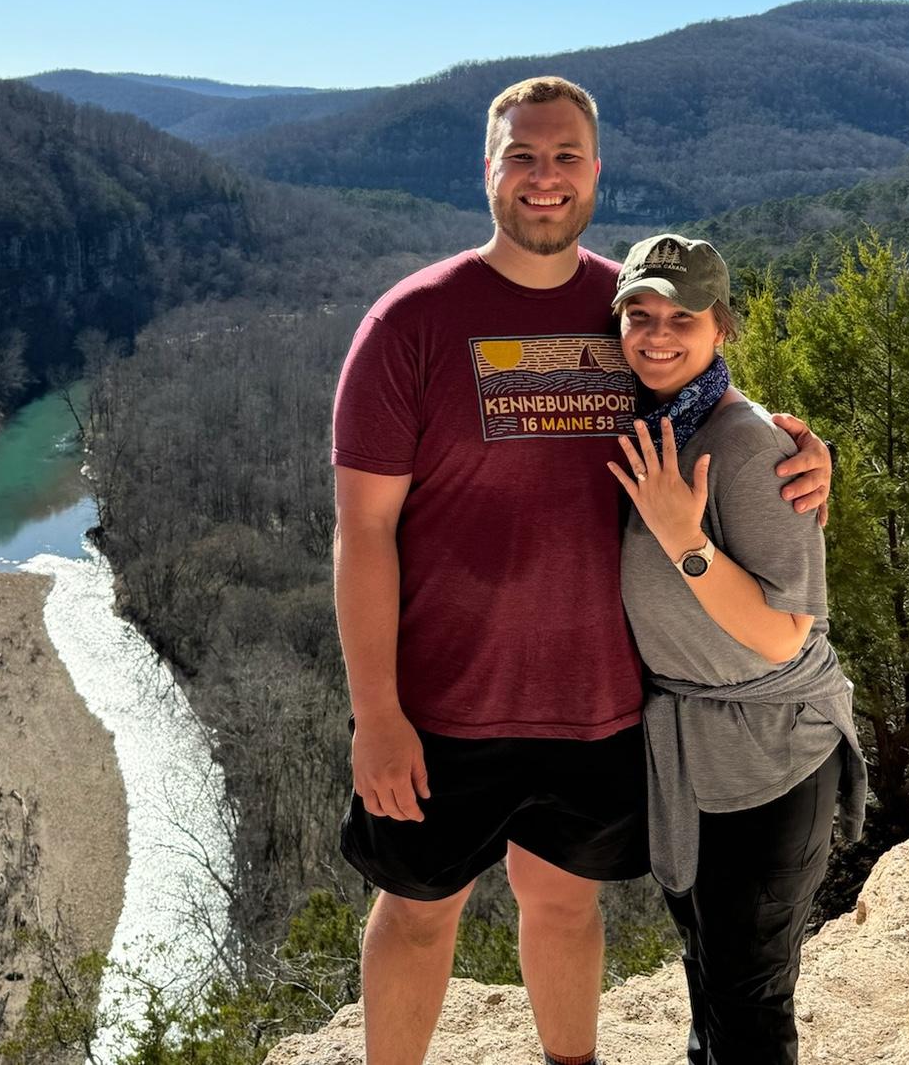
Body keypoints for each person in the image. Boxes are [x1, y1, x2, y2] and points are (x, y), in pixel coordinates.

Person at [331, 76, 834, 1065]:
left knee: (563, 907)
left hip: (599, 702)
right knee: (419, 912)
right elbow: (362, 532)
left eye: (566, 157)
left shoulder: (623, 311)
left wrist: (804, 451)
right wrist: (378, 712)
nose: (545, 179)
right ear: (489, 170)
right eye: (523, 156)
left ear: (597, 171)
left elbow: (707, 399)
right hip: (444, 704)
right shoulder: (411, 323)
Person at [607, 232, 866, 1065]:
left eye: (682, 317)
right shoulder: (651, 427)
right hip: (692, 748)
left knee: (749, 994)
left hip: (772, 751)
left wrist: (686, 539)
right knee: (711, 973)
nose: (657, 334)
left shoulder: (752, 446)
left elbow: (784, 630)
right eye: (638, 315)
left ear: (722, 327)